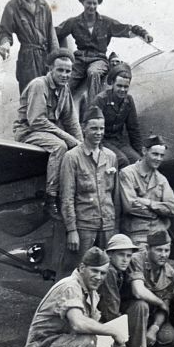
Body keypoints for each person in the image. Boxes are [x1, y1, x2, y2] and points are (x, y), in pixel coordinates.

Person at [22, 247, 126, 347]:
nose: (99, 277)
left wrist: (114, 336)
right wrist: (112, 331)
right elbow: (78, 323)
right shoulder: (71, 286)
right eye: (94, 271)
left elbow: (91, 323)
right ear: (82, 268)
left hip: (60, 345)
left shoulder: (91, 291)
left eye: (103, 273)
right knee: (86, 342)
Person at [55, 0, 153, 109]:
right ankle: (56, 111)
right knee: (66, 79)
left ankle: (93, 111)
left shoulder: (106, 22)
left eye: (94, 3)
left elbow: (127, 28)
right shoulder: (73, 22)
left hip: (98, 59)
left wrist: (144, 33)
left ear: (98, 4)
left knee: (94, 73)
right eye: (88, 3)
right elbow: (55, 33)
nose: (92, 6)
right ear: (82, 3)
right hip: (79, 59)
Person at [13, 48, 83, 219]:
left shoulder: (64, 89)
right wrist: (69, 139)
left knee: (76, 150)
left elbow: (71, 121)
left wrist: (82, 145)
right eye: (60, 70)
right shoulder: (39, 85)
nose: (65, 75)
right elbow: (37, 120)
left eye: (68, 71)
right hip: (28, 131)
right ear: (50, 69)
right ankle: (51, 199)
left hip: (46, 131)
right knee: (59, 146)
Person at [59, 106, 118, 263]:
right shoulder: (72, 157)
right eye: (94, 128)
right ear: (83, 128)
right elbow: (67, 197)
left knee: (107, 270)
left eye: (101, 128)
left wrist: (115, 226)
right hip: (84, 227)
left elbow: (115, 195)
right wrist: (72, 230)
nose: (99, 133)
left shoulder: (111, 157)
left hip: (108, 226)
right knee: (81, 269)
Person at [125, 230, 174, 347]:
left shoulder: (170, 272)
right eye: (159, 250)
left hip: (150, 317)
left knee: (169, 339)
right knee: (141, 305)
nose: (163, 254)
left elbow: (165, 305)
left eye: (166, 250)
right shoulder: (136, 259)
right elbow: (138, 291)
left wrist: (154, 327)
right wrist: (160, 302)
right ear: (148, 249)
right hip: (129, 312)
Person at [0, 0, 59, 94]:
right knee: (30, 99)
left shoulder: (43, 5)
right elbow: (4, 32)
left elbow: (51, 34)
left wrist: (56, 58)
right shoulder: (13, 6)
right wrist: (5, 45)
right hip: (27, 61)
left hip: (45, 59)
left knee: (49, 98)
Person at [119, 135, 174, 250]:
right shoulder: (127, 174)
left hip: (159, 233)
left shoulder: (161, 179)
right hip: (138, 234)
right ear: (144, 151)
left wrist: (149, 203)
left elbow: (172, 208)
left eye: (162, 155)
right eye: (155, 154)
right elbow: (130, 206)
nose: (159, 159)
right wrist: (159, 211)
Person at [92, 63, 142, 169]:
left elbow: (134, 129)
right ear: (113, 84)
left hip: (118, 141)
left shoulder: (128, 100)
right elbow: (92, 127)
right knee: (122, 161)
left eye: (126, 86)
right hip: (102, 141)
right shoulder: (101, 100)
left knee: (138, 162)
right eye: (119, 86)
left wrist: (140, 153)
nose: (122, 90)